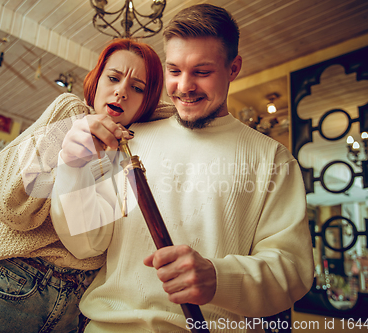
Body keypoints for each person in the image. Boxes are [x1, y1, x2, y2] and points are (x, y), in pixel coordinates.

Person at [51, 4, 314, 332]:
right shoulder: (130, 139)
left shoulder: (272, 159)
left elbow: (293, 270)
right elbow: (87, 243)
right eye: (174, 71)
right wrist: (71, 167)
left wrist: (218, 278)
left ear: (234, 68)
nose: (184, 86)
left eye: (201, 72)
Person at [0, 39, 169, 333]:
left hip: (79, 301)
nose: (122, 91)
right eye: (113, 78)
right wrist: (69, 144)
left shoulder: (130, 150)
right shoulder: (72, 112)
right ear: (96, 81)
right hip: (17, 280)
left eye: (138, 88)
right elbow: (10, 200)